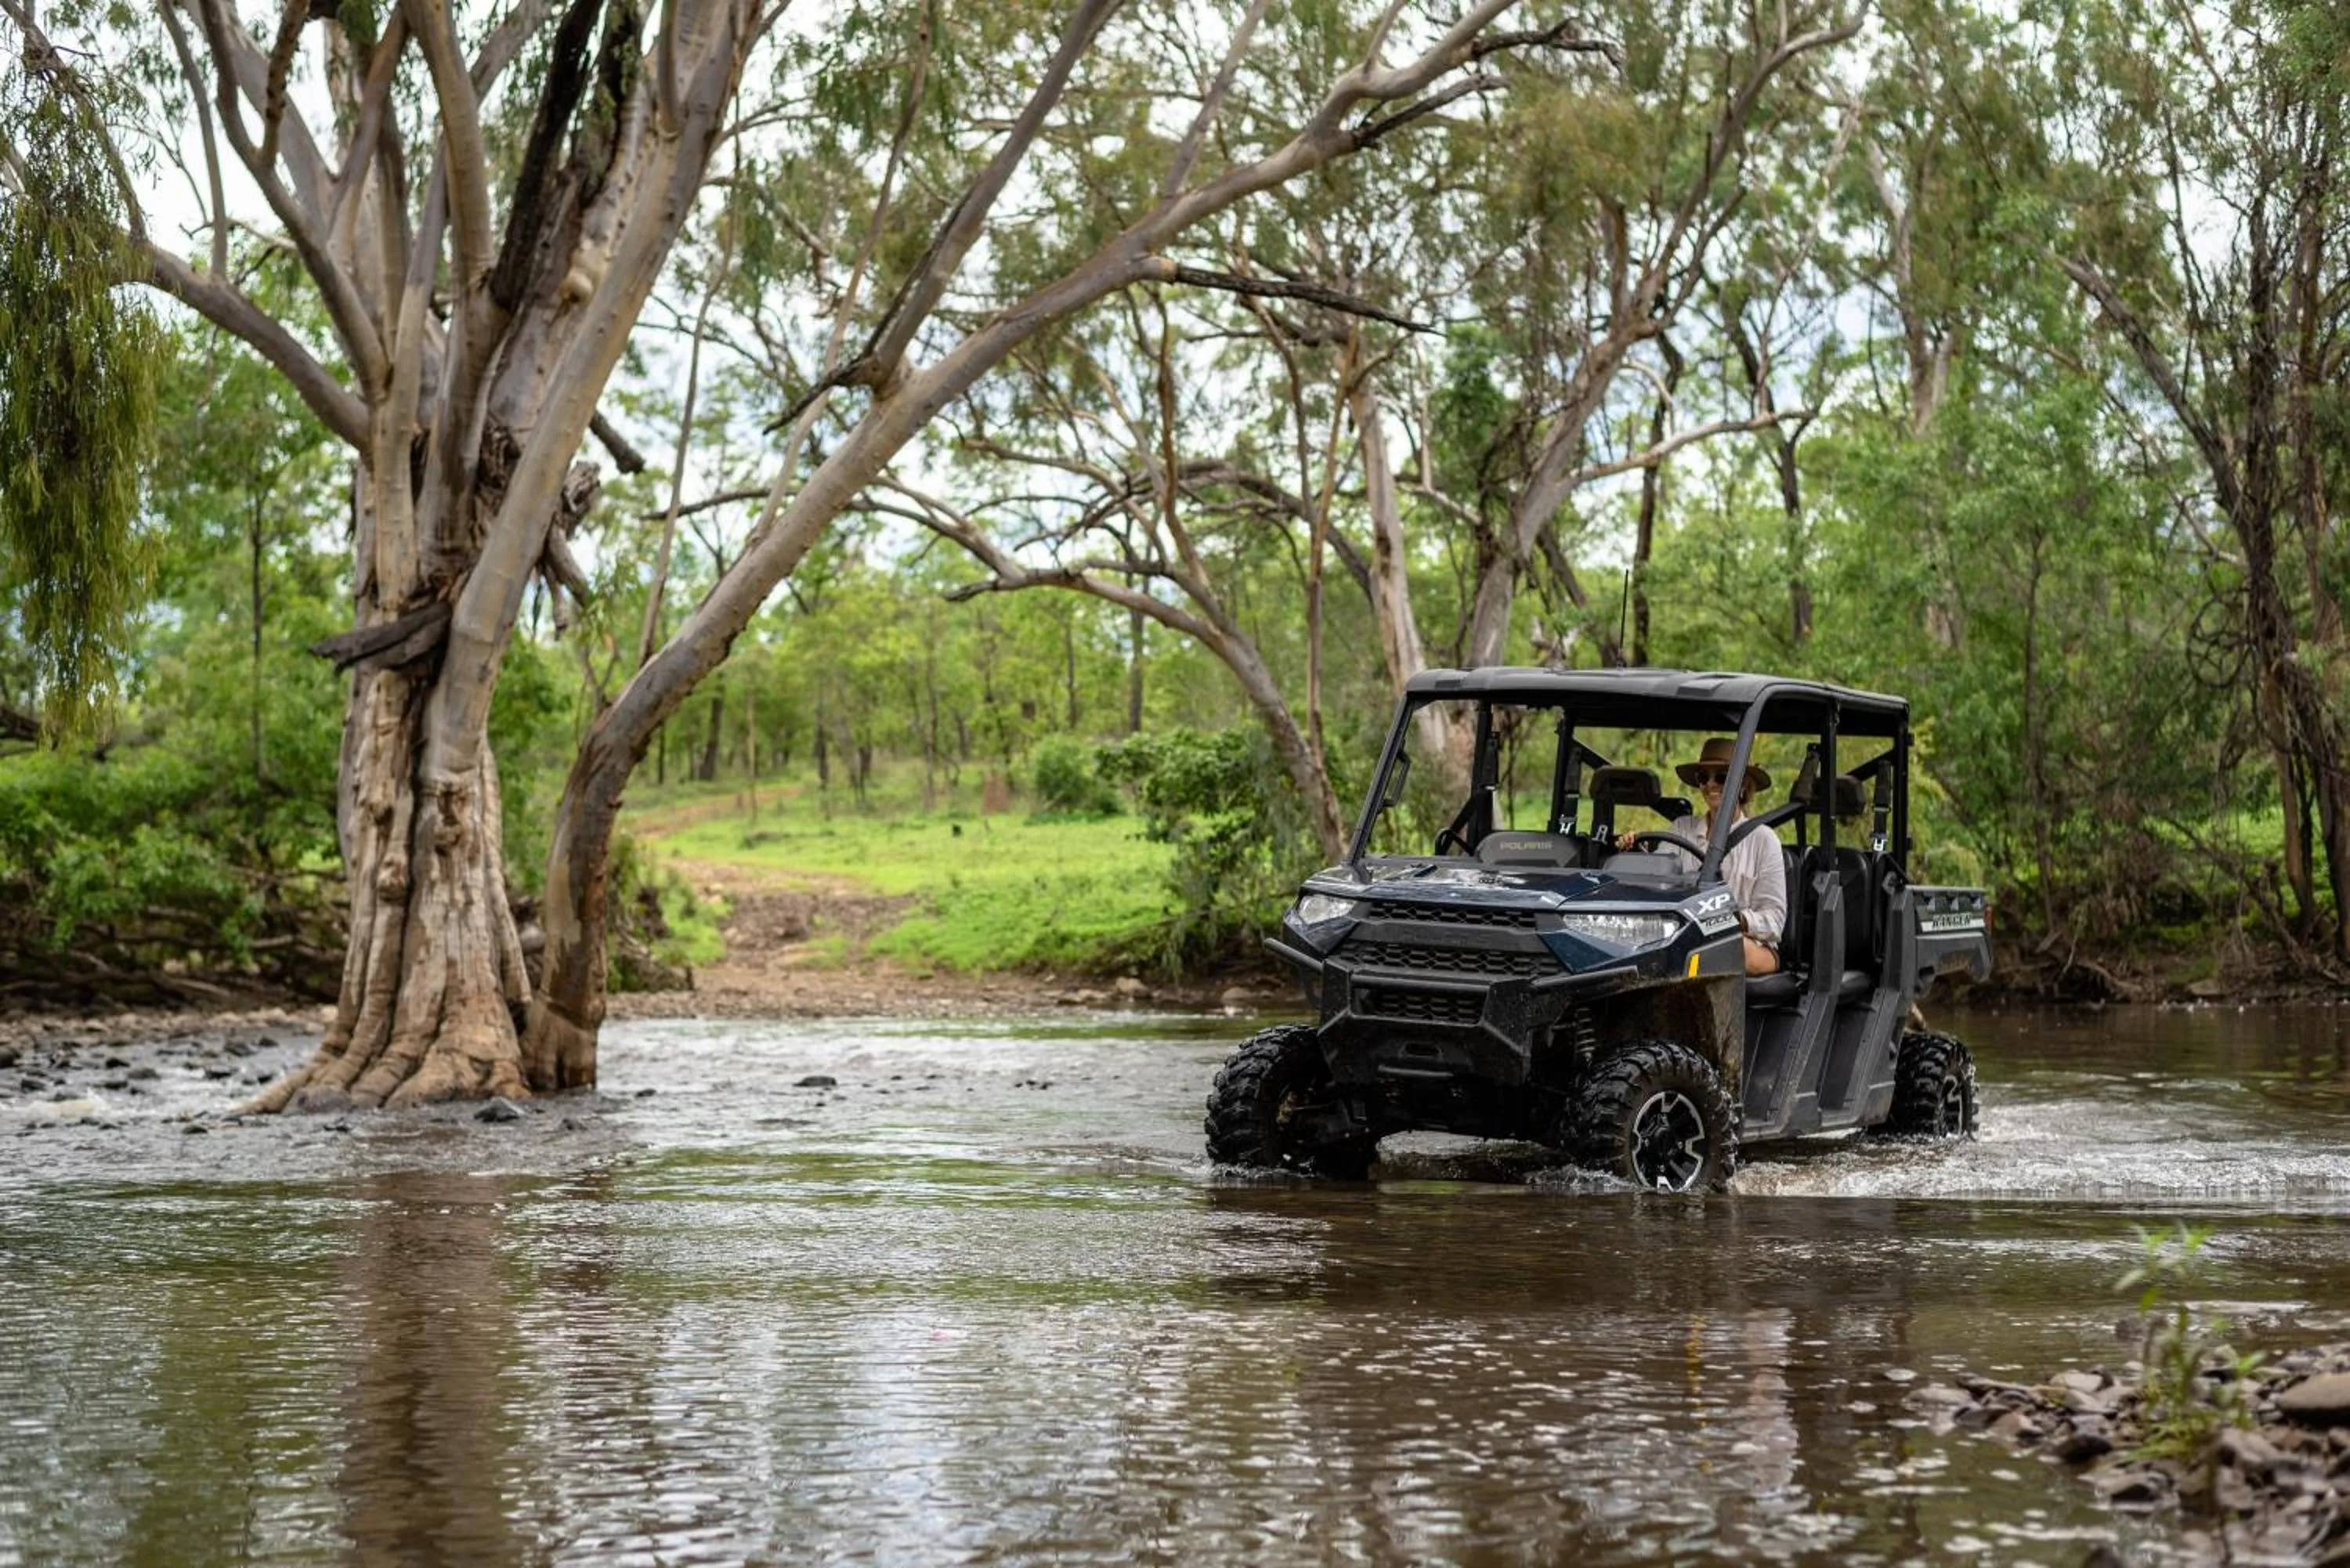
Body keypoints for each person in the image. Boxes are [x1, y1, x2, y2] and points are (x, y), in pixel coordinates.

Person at [1618, 736, 1786, 976]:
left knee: (1718, 947)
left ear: (1742, 784)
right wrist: (1635, 851)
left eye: (1721, 777)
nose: (1710, 784)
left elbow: (1775, 920)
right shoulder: (1682, 829)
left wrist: (1735, 919)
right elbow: (1656, 879)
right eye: (1703, 778)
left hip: (1746, 941)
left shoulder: (1763, 840)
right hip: (1683, 933)